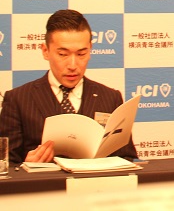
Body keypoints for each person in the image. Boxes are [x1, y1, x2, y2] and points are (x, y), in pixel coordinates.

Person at [0, 9, 137, 164]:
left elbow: (127, 158)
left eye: (81, 54)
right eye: (63, 54)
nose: (72, 65)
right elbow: (5, 165)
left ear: (90, 50)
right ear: (45, 51)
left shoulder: (111, 98)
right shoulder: (18, 100)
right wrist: (26, 166)